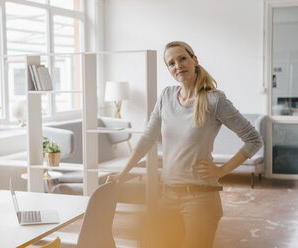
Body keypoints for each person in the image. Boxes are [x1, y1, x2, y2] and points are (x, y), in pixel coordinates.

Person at [106, 41, 263, 248]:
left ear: (194, 60)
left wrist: (222, 170)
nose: (177, 65)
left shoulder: (214, 101)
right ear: (169, 70)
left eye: (182, 58)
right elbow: (147, 139)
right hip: (168, 195)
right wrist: (123, 173)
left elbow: (254, 139)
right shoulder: (166, 96)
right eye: (171, 63)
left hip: (200, 199)